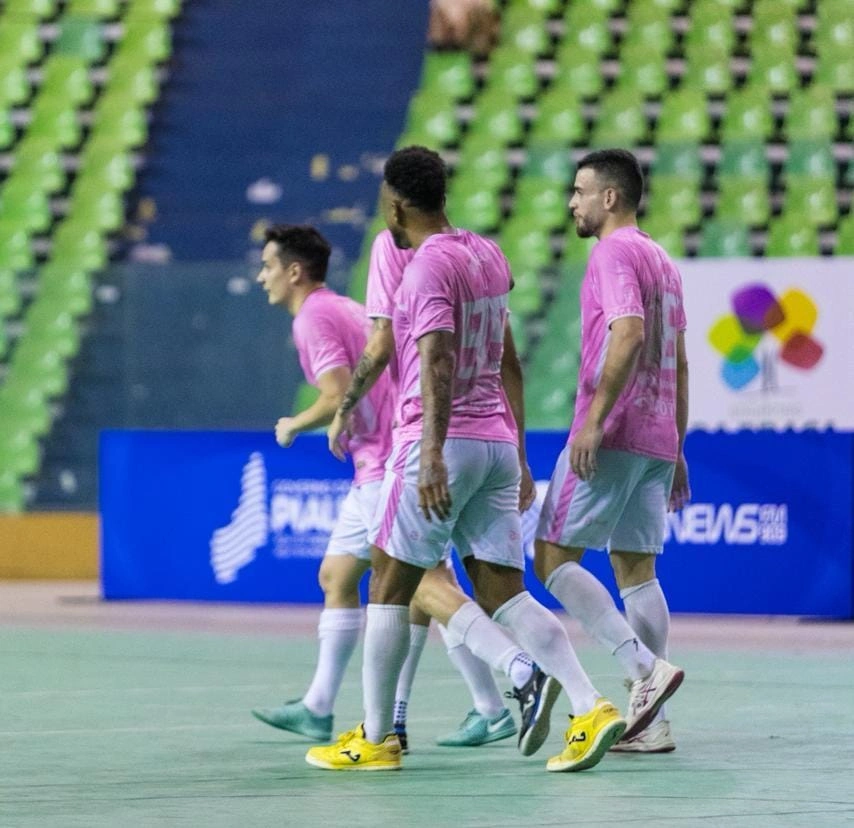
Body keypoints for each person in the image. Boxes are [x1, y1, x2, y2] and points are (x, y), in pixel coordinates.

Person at [307, 146, 656, 774]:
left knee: (389, 584)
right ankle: (590, 704)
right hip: (497, 443)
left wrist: (433, 452)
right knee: (504, 592)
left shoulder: (421, 271)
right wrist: (518, 458)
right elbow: (509, 361)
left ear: (395, 204)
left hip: (438, 442)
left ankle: (377, 738)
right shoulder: (488, 254)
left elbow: (436, 359)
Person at [251, 224, 516, 751]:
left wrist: (293, 424)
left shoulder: (313, 319)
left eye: (268, 266)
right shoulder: (346, 307)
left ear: (294, 271)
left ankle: (506, 684)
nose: (262, 277)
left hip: (387, 460)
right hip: (381, 459)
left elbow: (332, 393)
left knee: (420, 585)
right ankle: (319, 706)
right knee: (338, 574)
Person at [534, 148, 690, 753]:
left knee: (551, 557)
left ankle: (641, 669)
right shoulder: (664, 260)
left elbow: (629, 332)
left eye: (578, 190)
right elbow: (679, 362)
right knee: (636, 569)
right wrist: (677, 443)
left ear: (609, 197)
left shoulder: (614, 252)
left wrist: (593, 421)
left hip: (616, 430)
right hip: (656, 437)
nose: (571, 202)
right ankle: (652, 724)